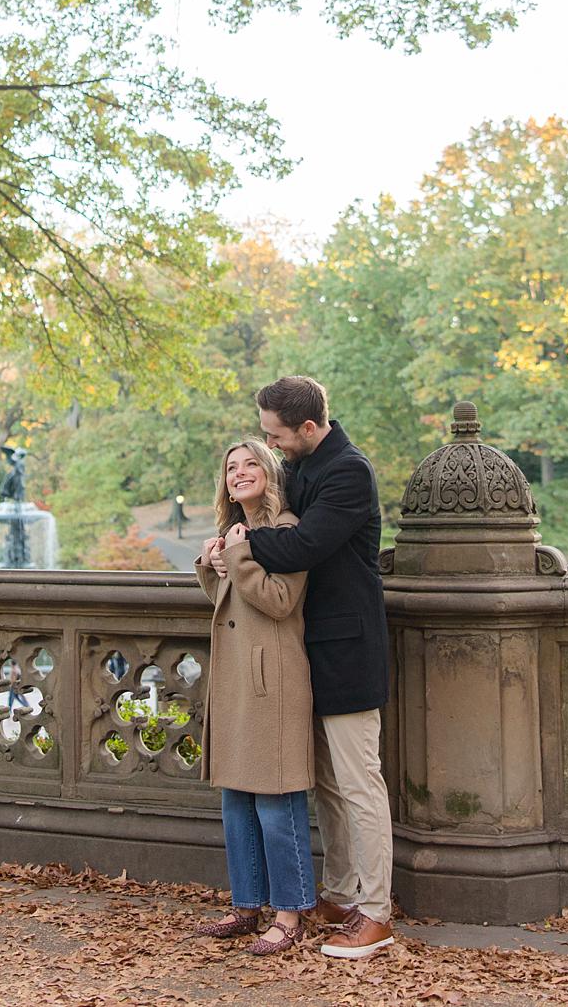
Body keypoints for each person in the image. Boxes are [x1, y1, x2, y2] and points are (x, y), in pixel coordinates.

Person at [212, 375, 392, 959]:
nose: (273, 446)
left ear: (309, 428)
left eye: (278, 436)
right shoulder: (304, 468)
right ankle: (339, 894)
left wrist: (238, 544)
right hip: (304, 654)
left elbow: (299, 549)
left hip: (346, 648)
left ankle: (376, 912)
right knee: (332, 787)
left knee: (360, 783)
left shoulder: (347, 471)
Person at [191, 438, 315, 956]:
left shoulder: (287, 530)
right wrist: (212, 565)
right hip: (237, 679)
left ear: (268, 471)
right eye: (230, 468)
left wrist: (239, 557)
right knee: (236, 799)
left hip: (274, 680)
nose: (239, 473)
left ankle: (291, 912)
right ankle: (246, 905)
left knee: (275, 798)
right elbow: (235, 600)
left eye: (249, 465)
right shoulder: (235, 533)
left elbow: (281, 601)